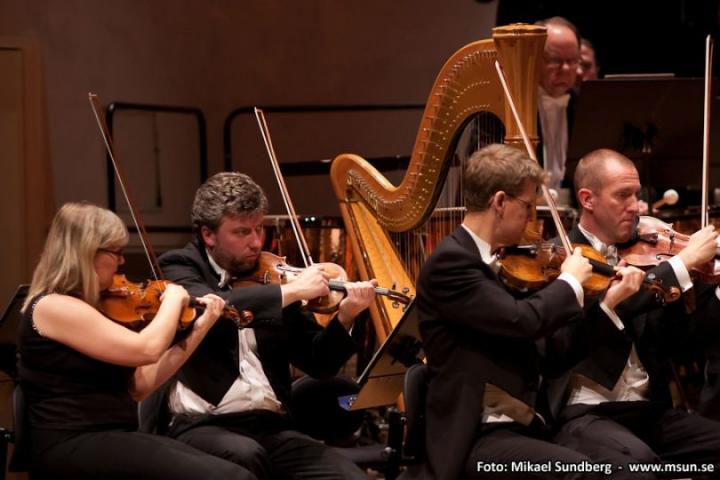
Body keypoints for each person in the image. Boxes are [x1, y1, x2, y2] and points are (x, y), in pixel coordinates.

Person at [409, 144, 645, 480]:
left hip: (525, 425)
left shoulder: (502, 263)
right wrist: (569, 282)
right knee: (584, 474)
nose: (533, 218)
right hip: (476, 437)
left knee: (621, 468)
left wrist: (607, 304)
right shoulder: (452, 262)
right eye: (529, 206)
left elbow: (550, 356)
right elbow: (524, 321)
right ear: (501, 202)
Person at [156, 171, 376, 479]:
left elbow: (319, 363)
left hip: (271, 427)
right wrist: (294, 291)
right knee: (247, 457)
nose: (257, 242)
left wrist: (347, 315)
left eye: (259, 228)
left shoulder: (271, 275)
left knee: (349, 476)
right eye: (242, 232)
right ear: (208, 234)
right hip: (201, 425)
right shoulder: (178, 266)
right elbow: (215, 306)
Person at [17, 202, 255, 479]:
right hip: (73, 443)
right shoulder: (52, 306)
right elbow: (148, 349)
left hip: (113, 437)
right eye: (115, 252)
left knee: (237, 471)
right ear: (85, 253)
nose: (122, 261)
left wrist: (202, 326)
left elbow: (140, 386)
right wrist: (174, 297)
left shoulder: (95, 307)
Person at [548, 148, 720, 476]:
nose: (635, 206)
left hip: (648, 410)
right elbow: (615, 305)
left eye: (637, 195)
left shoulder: (649, 254)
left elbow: (684, 342)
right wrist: (681, 264)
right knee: (639, 466)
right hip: (584, 413)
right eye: (622, 195)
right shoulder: (560, 261)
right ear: (587, 199)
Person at [535, 16, 581, 192]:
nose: (567, 69)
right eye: (555, 60)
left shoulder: (586, 105)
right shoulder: (510, 106)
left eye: (573, 61)